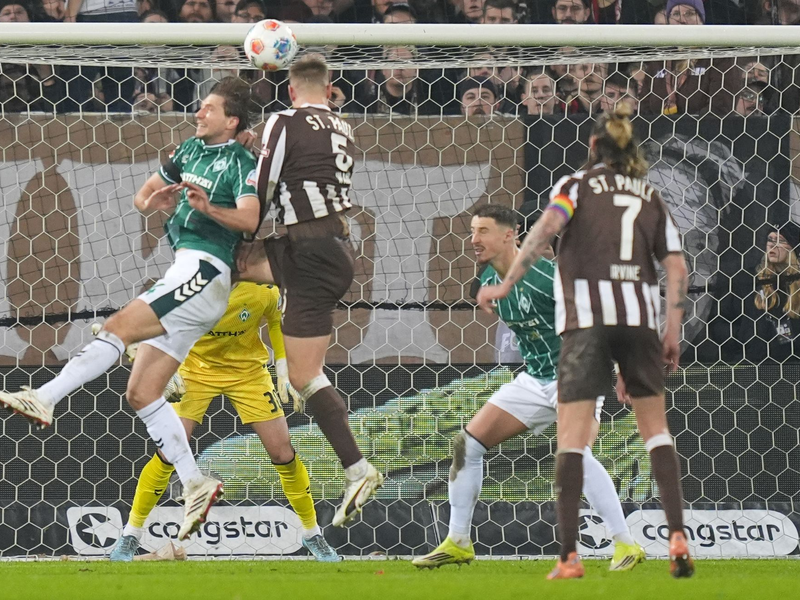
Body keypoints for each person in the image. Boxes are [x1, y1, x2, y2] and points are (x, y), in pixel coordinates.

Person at [0, 77, 261, 542]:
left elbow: (249, 218)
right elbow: (144, 194)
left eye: (208, 108)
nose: (198, 113)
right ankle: (195, 482)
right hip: (186, 269)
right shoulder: (187, 152)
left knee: (118, 326)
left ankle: (45, 397)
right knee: (142, 392)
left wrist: (208, 209)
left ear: (232, 120)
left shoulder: (241, 161)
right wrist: (152, 202)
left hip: (205, 269)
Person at [477, 105, 693, 579]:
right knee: (656, 432)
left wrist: (506, 283)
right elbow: (676, 267)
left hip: (586, 325)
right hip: (638, 324)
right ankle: (677, 535)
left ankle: (569, 556)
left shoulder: (573, 187)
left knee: (571, 441)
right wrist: (671, 331)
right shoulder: (649, 195)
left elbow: (544, 232)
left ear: (592, 147)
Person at [411, 205, 646, 571]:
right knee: (466, 444)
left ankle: (625, 544)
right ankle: (458, 542)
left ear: (510, 235)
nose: (474, 240)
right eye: (472, 231)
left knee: (574, 453)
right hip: (536, 378)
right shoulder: (488, 278)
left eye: (483, 231)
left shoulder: (546, 276)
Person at [236, 54, 383, 528]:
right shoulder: (341, 126)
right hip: (329, 249)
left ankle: (358, 467)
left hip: (309, 249)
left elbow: (264, 182)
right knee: (230, 272)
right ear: (329, 86)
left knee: (223, 255)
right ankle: (355, 467)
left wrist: (245, 226)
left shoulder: (284, 119)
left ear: (292, 89)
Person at [108, 282, 340, 562]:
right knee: (168, 450)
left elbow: (276, 321)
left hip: (248, 373)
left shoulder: (263, 289)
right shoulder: (191, 284)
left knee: (282, 451)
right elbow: (159, 322)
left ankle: (312, 533)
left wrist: (283, 366)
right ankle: (130, 535)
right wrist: (166, 366)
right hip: (194, 371)